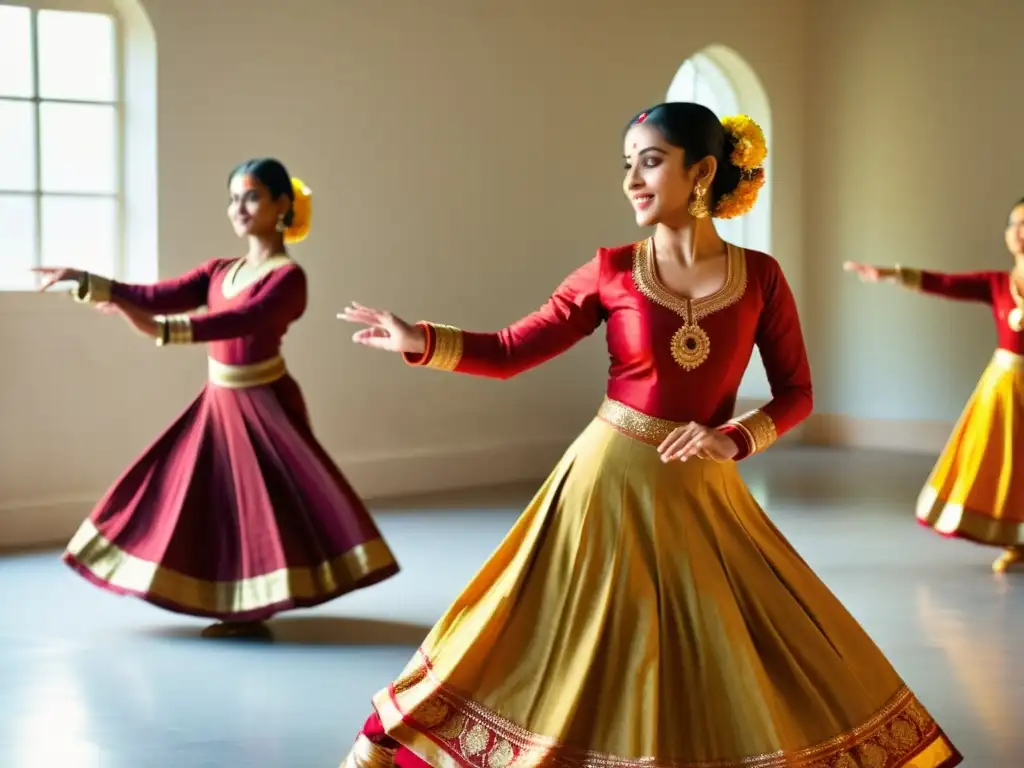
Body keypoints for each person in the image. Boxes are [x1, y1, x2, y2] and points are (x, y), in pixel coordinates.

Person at [335, 105, 961, 767]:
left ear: (704, 172)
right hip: (604, 488)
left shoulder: (762, 278)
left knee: (734, 649)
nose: (632, 178)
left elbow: (797, 394)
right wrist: (421, 340)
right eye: (627, 163)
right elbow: (514, 349)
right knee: (581, 646)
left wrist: (734, 440)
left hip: (704, 493)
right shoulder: (610, 269)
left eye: (650, 160)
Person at [35, 158, 399, 639]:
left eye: (251, 196)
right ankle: (235, 604)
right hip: (218, 401)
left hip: (263, 405)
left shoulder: (288, 279)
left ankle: (251, 609)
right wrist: (86, 279)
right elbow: (155, 294)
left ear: (281, 204)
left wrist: (157, 329)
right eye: (233, 198)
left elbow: (236, 322)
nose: (239, 207)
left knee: (262, 507)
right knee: (199, 499)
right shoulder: (219, 271)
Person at [845, 197, 1024, 574]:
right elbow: (946, 282)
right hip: (1005, 390)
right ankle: (1016, 542)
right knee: (1007, 467)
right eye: (1014, 224)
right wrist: (891, 274)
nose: (1019, 233)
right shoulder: (998, 284)